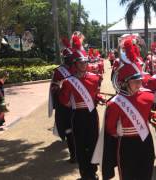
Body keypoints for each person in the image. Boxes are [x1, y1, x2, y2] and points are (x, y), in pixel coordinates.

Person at [59, 35, 103, 180]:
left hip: (91, 114)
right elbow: (64, 102)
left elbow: (95, 95)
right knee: (80, 144)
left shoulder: (94, 78)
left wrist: (99, 98)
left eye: (85, 62)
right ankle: (85, 173)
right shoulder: (68, 82)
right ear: (75, 63)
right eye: (81, 62)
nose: (84, 65)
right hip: (77, 115)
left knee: (93, 142)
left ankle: (93, 170)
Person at [104, 63, 155, 180]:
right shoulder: (115, 103)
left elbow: (148, 115)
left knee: (146, 172)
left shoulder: (147, 96)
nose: (139, 83)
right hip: (126, 144)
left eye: (140, 80)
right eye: (135, 81)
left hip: (146, 141)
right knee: (128, 175)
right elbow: (110, 129)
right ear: (125, 82)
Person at [48, 37, 76, 163]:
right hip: (64, 105)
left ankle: (78, 154)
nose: (70, 59)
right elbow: (54, 88)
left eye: (71, 57)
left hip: (77, 104)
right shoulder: (59, 71)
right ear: (65, 58)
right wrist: (61, 87)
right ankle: (73, 155)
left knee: (78, 129)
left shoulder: (77, 68)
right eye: (68, 58)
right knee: (69, 130)